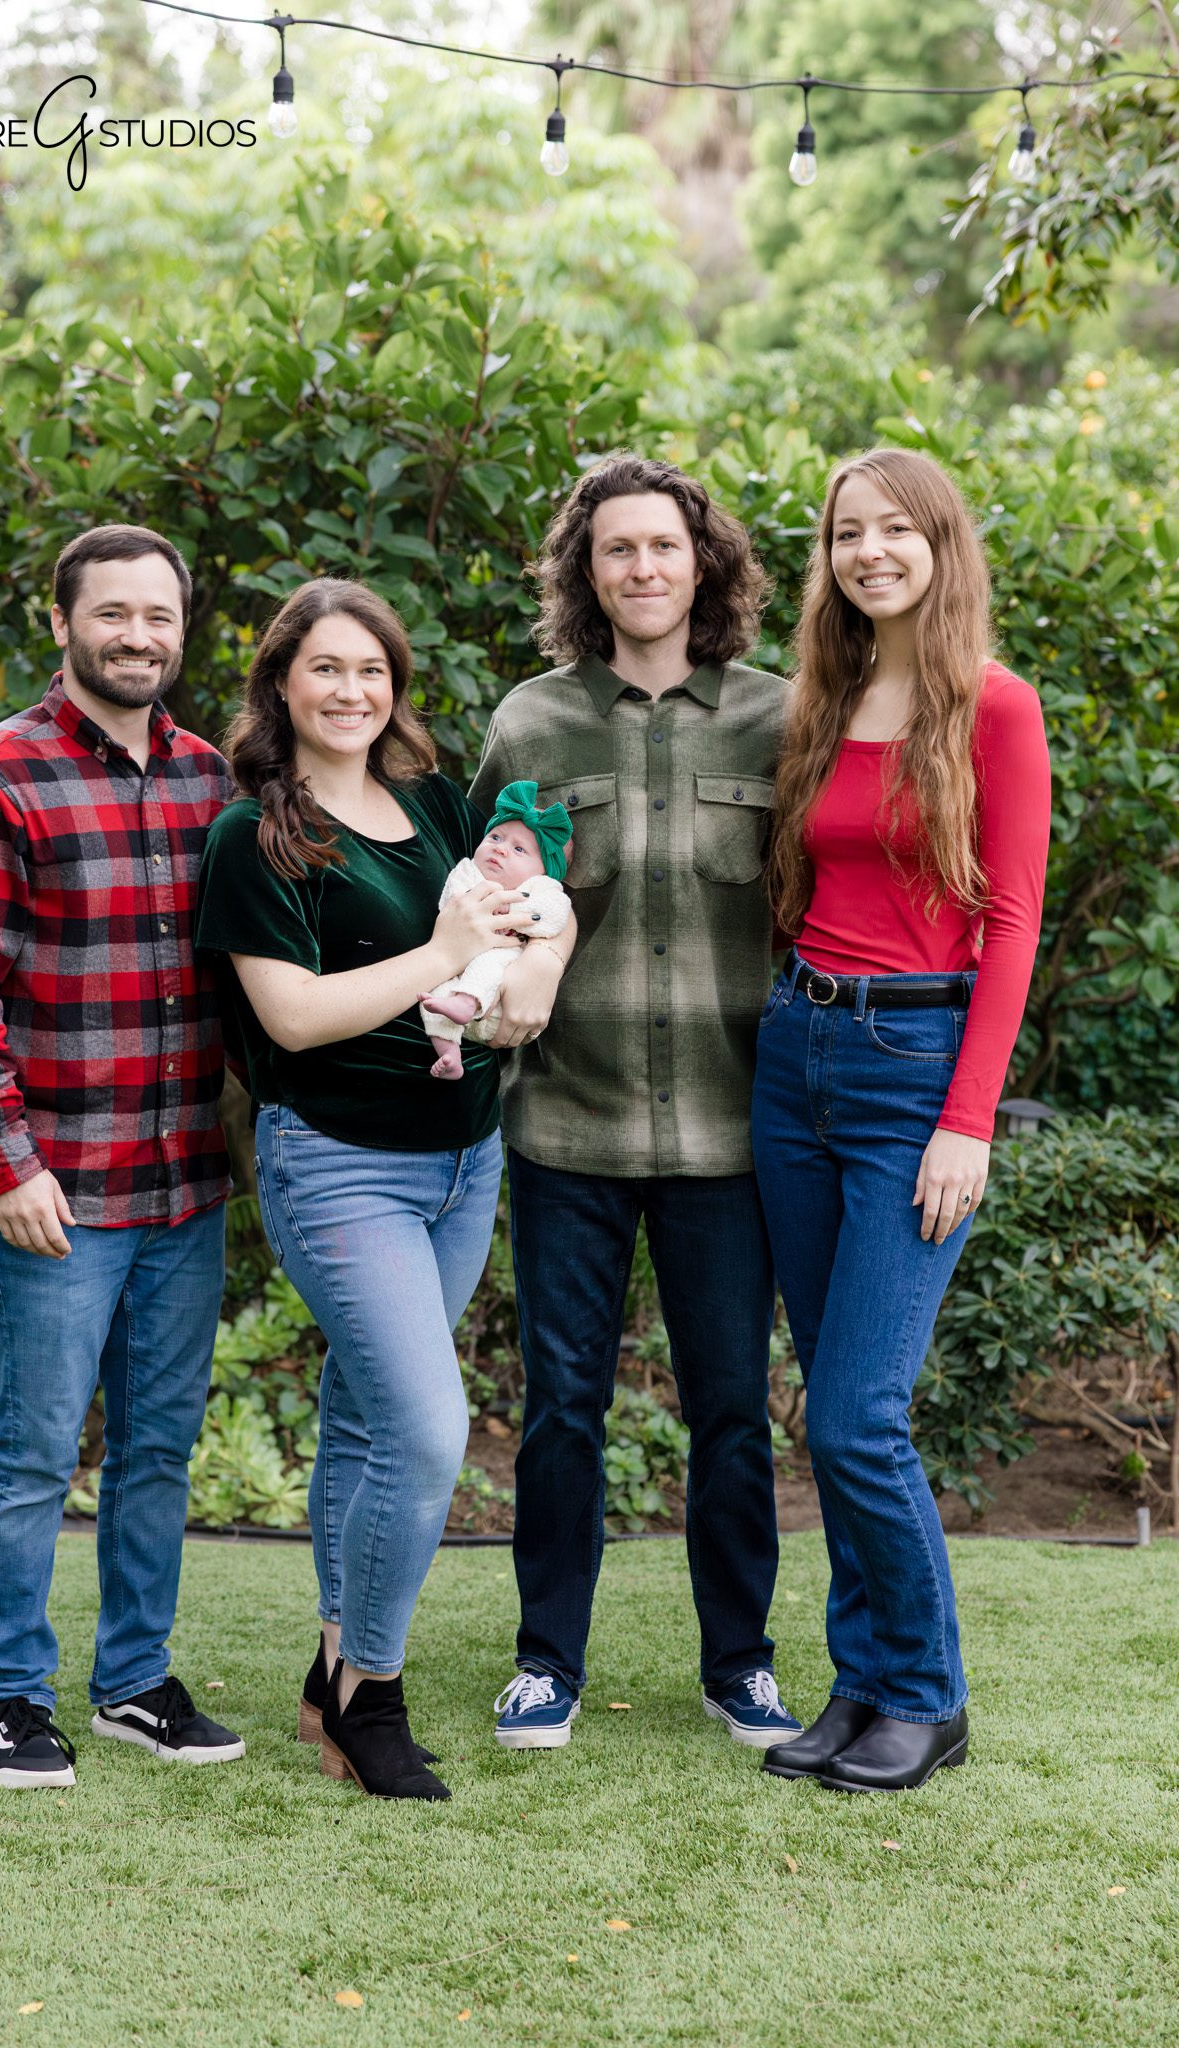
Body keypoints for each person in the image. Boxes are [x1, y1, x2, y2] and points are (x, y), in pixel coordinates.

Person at [0, 524, 245, 1788]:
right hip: (58, 1189)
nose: (137, 634)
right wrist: (7, 1162)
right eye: (112, 613)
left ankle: (136, 1680)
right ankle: (15, 1695)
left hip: (183, 1185)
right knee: (38, 1448)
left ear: (181, 627)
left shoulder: (212, 780)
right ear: (62, 622)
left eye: (159, 614)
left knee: (159, 1445)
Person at [469, 453, 803, 1753]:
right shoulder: (532, 723)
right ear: (584, 570)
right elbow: (494, 908)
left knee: (730, 1411)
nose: (643, 568)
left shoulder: (783, 718)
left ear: (702, 562)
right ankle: (545, 1660)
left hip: (733, 1136)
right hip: (566, 1128)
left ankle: (742, 1668)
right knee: (561, 1406)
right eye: (616, 549)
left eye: (664, 546)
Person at [195, 577, 541, 1801]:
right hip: (337, 1161)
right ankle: (374, 1695)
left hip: (463, 1156)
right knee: (427, 1428)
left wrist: (509, 977)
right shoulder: (256, 837)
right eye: (326, 668)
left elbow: (513, 927)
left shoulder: (439, 803)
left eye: (372, 669)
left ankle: (328, 1672)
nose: (352, 691)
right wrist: (444, 956)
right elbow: (289, 1015)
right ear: (281, 683)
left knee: (361, 1416)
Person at [752, 448, 1051, 1793]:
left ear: (940, 544)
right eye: (845, 533)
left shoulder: (993, 707)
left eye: (896, 530)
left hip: (913, 1066)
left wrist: (966, 1117)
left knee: (859, 1416)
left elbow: (1010, 917)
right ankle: (860, 1686)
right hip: (796, 1052)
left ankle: (926, 1693)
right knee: (829, 1400)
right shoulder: (823, 698)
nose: (869, 552)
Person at [420, 780, 573, 1079]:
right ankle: (449, 1055)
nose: (500, 850)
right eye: (495, 837)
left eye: (518, 849)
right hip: (457, 969)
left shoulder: (542, 887)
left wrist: (512, 910)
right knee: (432, 993)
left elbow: (554, 916)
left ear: (544, 869)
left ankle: (467, 1003)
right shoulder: (468, 871)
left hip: (505, 984)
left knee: (490, 962)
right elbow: (451, 899)